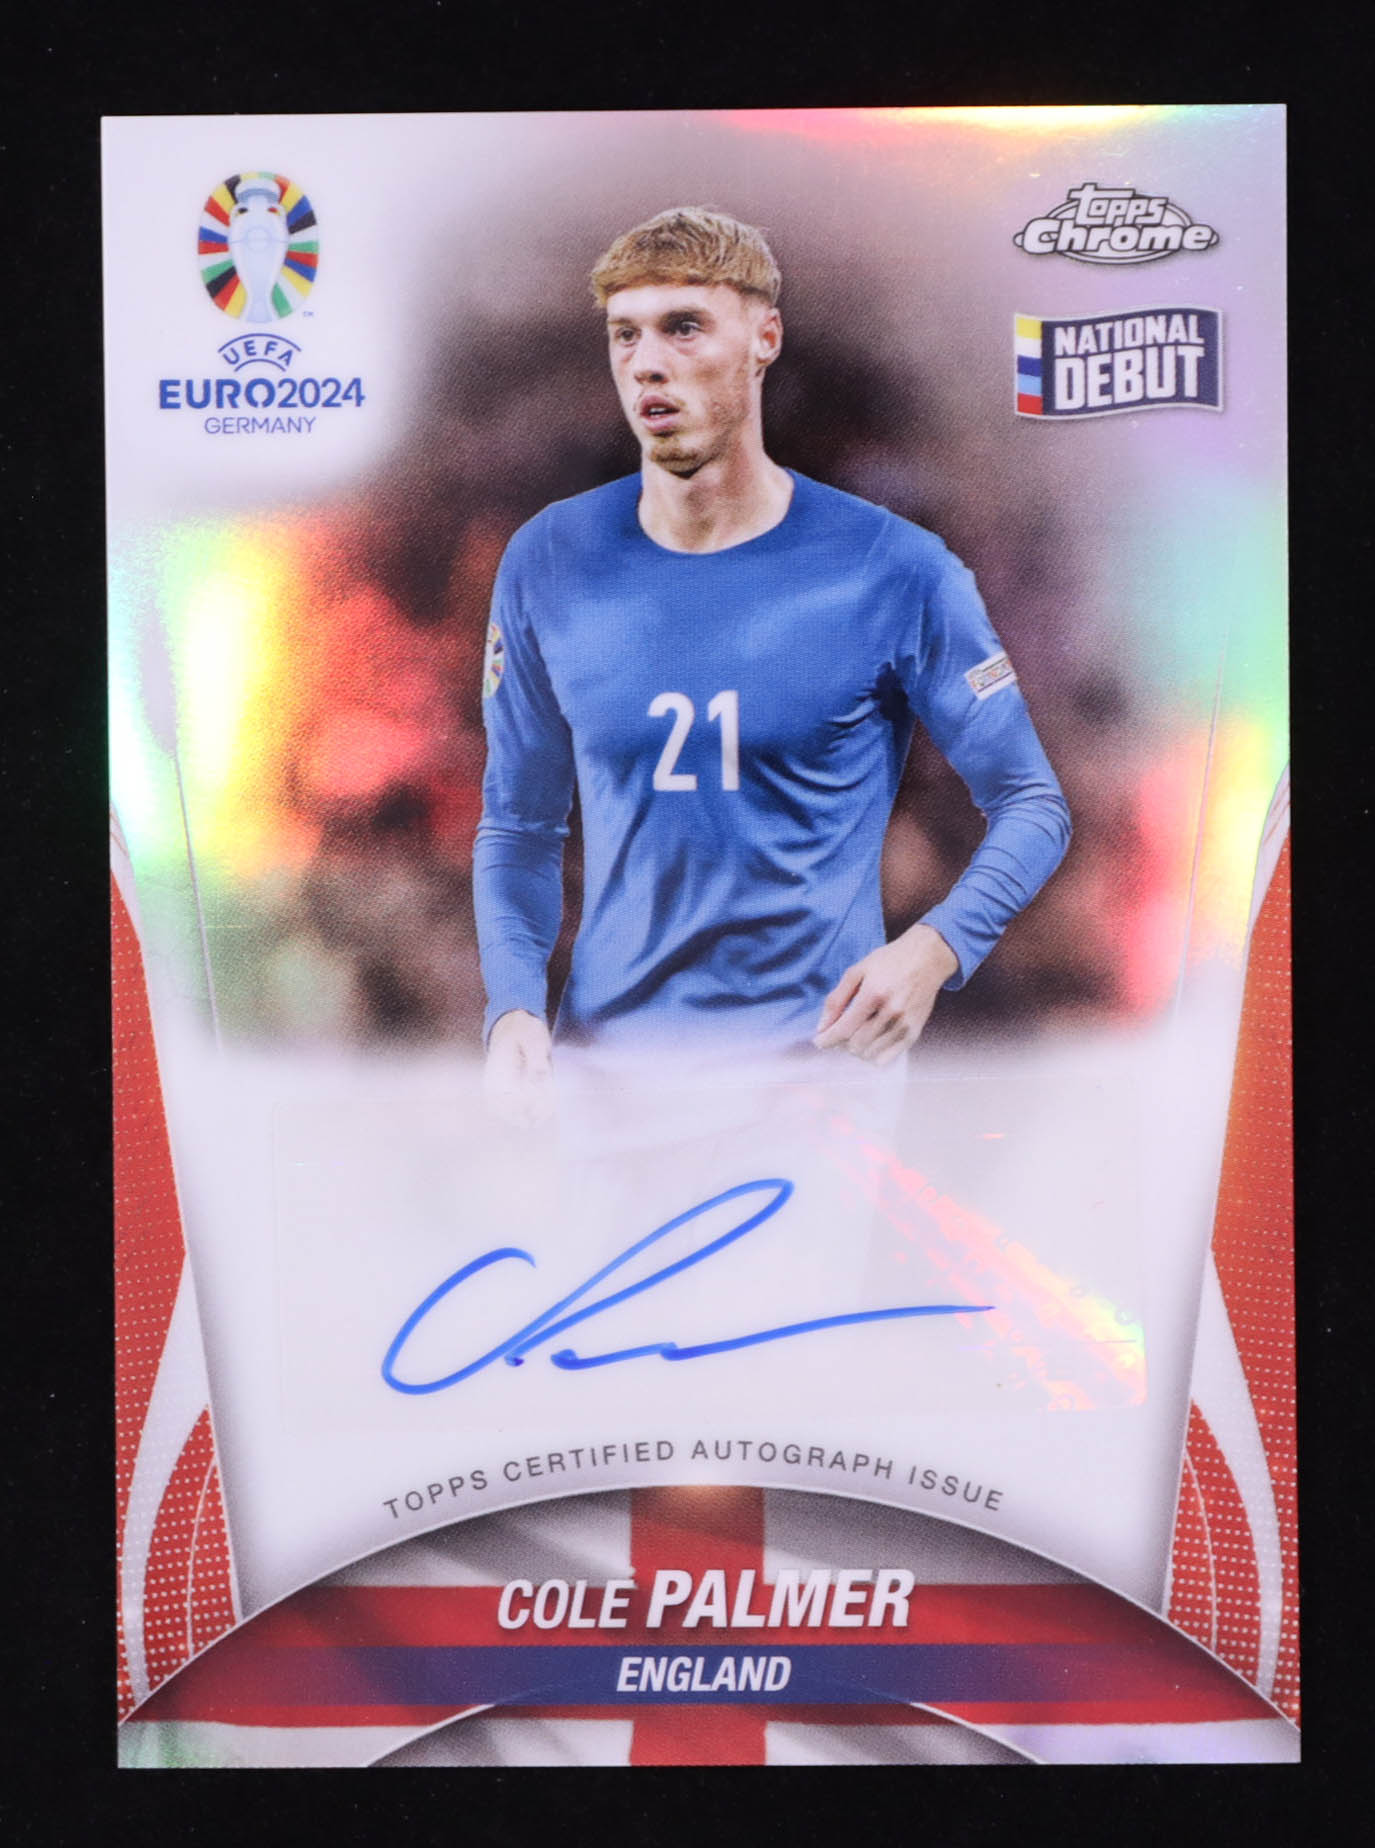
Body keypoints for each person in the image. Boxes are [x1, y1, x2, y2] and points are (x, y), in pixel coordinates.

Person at [473, 207, 1070, 1122]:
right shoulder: (548, 559)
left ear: (764, 338)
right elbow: (518, 825)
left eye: (683, 327)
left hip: (813, 1091)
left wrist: (933, 949)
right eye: (625, 334)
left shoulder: (894, 568)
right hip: (610, 1091)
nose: (646, 362)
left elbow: (1031, 803)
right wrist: (513, 1006)